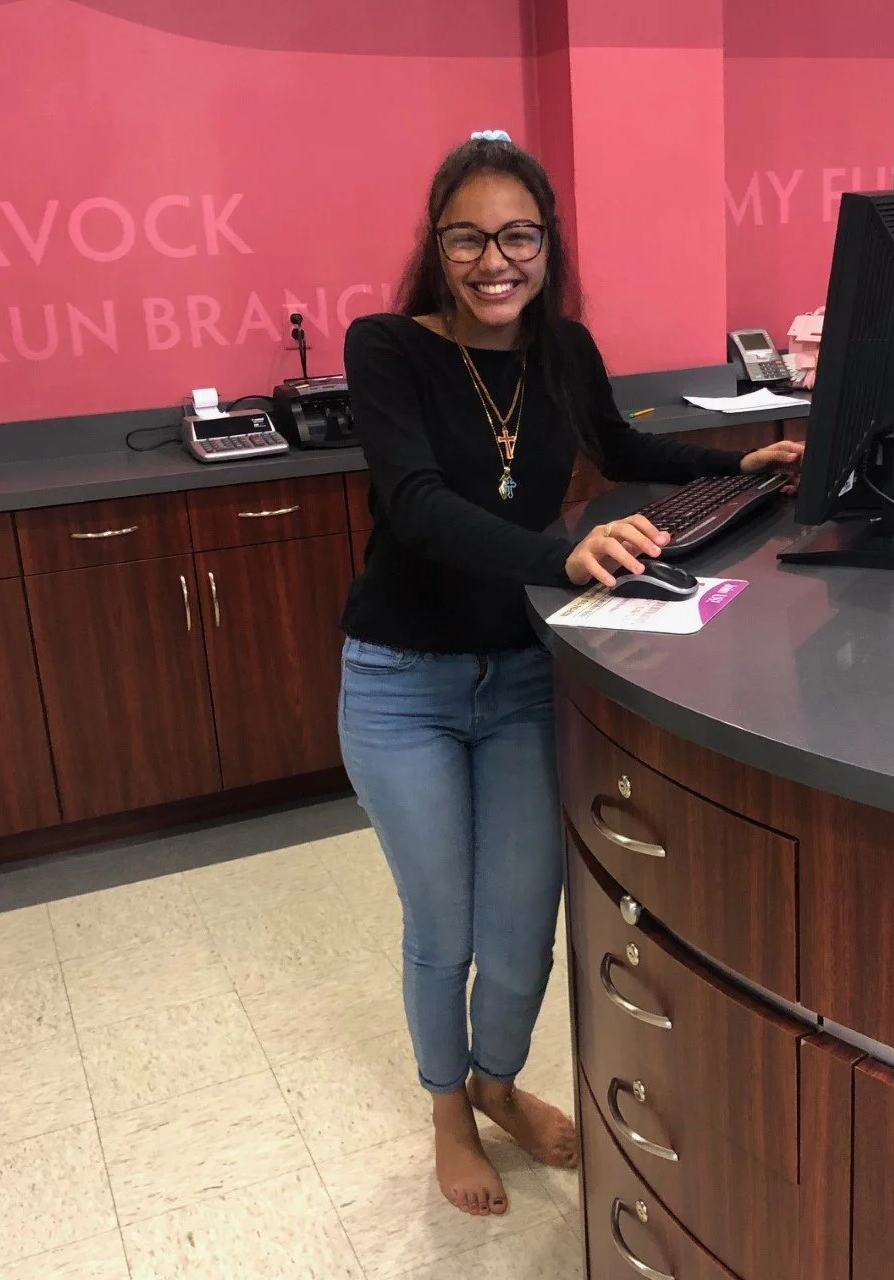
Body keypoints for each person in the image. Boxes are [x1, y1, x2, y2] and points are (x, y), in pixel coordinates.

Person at [338, 129, 803, 1219]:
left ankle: (497, 1084)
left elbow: (621, 446)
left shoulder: (563, 349)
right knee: (443, 925)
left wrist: (738, 461)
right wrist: (560, 554)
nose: (494, 260)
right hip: (401, 681)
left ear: (547, 243)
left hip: (517, 675)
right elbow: (416, 504)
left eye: (518, 236)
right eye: (467, 238)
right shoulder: (387, 347)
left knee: (522, 921)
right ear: (436, 246)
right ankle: (448, 1108)